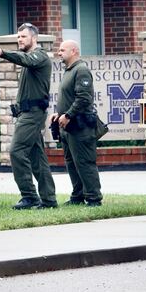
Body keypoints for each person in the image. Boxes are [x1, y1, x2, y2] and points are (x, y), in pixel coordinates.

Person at [0, 23, 57, 210]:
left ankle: (30, 197)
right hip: (27, 113)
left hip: (33, 115)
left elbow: (27, 60)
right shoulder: (29, 58)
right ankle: (49, 200)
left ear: (34, 38)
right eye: (18, 37)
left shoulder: (39, 56)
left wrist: (3, 53)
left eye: (23, 37)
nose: (20, 40)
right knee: (37, 157)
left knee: (16, 152)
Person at [52, 40, 102, 207]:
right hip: (68, 127)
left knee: (84, 162)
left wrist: (68, 114)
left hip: (81, 126)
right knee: (71, 162)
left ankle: (94, 198)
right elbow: (69, 97)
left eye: (62, 50)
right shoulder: (69, 71)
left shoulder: (81, 70)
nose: (59, 53)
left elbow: (84, 98)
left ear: (73, 51)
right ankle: (78, 196)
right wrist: (58, 114)